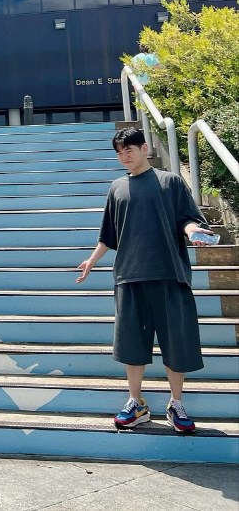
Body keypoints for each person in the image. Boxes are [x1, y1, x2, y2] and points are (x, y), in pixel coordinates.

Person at [76, 126, 213, 434]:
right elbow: (109, 235)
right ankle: (136, 402)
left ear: (145, 148)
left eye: (130, 150)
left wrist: (192, 231)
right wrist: (91, 261)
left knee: (176, 343)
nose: (125, 156)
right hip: (129, 276)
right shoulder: (117, 187)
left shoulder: (170, 182)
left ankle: (176, 403)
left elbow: (187, 219)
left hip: (170, 275)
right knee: (131, 345)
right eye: (120, 152)